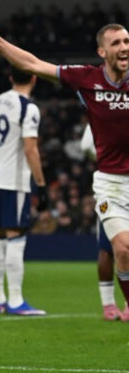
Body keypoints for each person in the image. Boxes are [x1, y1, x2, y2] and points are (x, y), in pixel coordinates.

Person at [0, 19, 129, 319]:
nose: (124, 48)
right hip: (111, 183)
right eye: (117, 43)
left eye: (127, 42)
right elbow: (32, 64)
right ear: (102, 51)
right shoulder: (87, 78)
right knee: (122, 250)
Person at [0, 68, 47, 316]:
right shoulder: (29, 108)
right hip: (14, 181)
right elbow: (30, 149)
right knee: (16, 236)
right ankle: (17, 300)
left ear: (10, 77)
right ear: (34, 78)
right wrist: (40, 184)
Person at [81, 124, 129, 320]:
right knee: (116, 248)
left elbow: (86, 146)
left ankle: (109, 305)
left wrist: (105, 157)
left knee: (109, 249)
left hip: (112, 181)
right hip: (113, 184)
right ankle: (121, 304)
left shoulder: (102, 105)